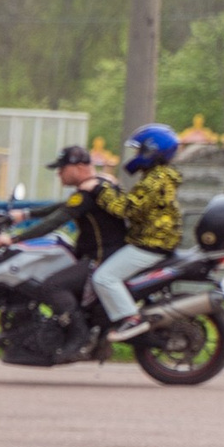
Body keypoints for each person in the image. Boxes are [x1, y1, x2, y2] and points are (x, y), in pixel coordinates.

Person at [85, 123, 184, 341]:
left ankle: (130, 318)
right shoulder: (160, 176)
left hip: (150, 243)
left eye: (139, 150)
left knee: (103, 278)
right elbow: (136, 202)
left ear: (152, 151)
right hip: (155, 240)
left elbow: (126, 210)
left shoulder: (155, 180)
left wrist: (98, 190)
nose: (136, 155)